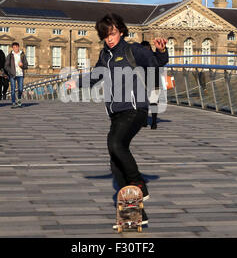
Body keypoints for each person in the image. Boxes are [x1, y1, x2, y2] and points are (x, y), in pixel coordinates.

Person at [66, 13, 168, 227]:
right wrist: (77, 84)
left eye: (112, 33)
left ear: (120, 31)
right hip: (116, 113)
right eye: (105, 35)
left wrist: (161, 51)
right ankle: (134, 214)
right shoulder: (105, 55)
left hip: (135, 108)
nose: (109, 38)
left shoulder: (132, 50)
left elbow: (156, 64)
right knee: (115, 162)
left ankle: (139, 182)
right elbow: (96, 76)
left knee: (115, 144)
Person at [140, 41, 164, 130]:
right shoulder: (154, 57)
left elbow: (163, 60)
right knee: (151, 103)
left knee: (146, 103)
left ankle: (148, 121)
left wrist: (161, 50)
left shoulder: (141, 58)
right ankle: (152, 122)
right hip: (152, 84)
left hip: (151, 84)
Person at [5, 42, 29, 108]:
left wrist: (22, 65)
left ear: (18, 47)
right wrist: (11, 72)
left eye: (16, 47)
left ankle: (18, 100)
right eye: (14, 47)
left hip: (20, 74)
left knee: (20, 89)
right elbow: (6, 66)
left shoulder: (22, 55)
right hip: (12, 75)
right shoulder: (10, 55)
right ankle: (13, 102)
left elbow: (26, 65)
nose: (15, 48)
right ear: (12, 48)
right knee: (12, 89)